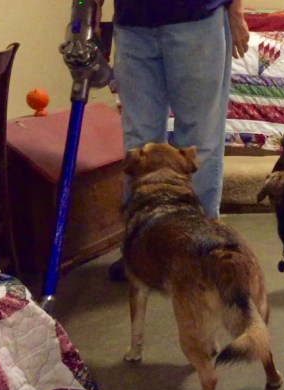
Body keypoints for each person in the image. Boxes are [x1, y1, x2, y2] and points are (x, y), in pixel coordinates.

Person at [94, 0, 250, 280]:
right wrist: (88, 13)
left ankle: (202, 248)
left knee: (198, 140)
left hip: (197, 19)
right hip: (132, 25)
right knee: (138, 145)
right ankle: (141, 249)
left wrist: (235, 10)